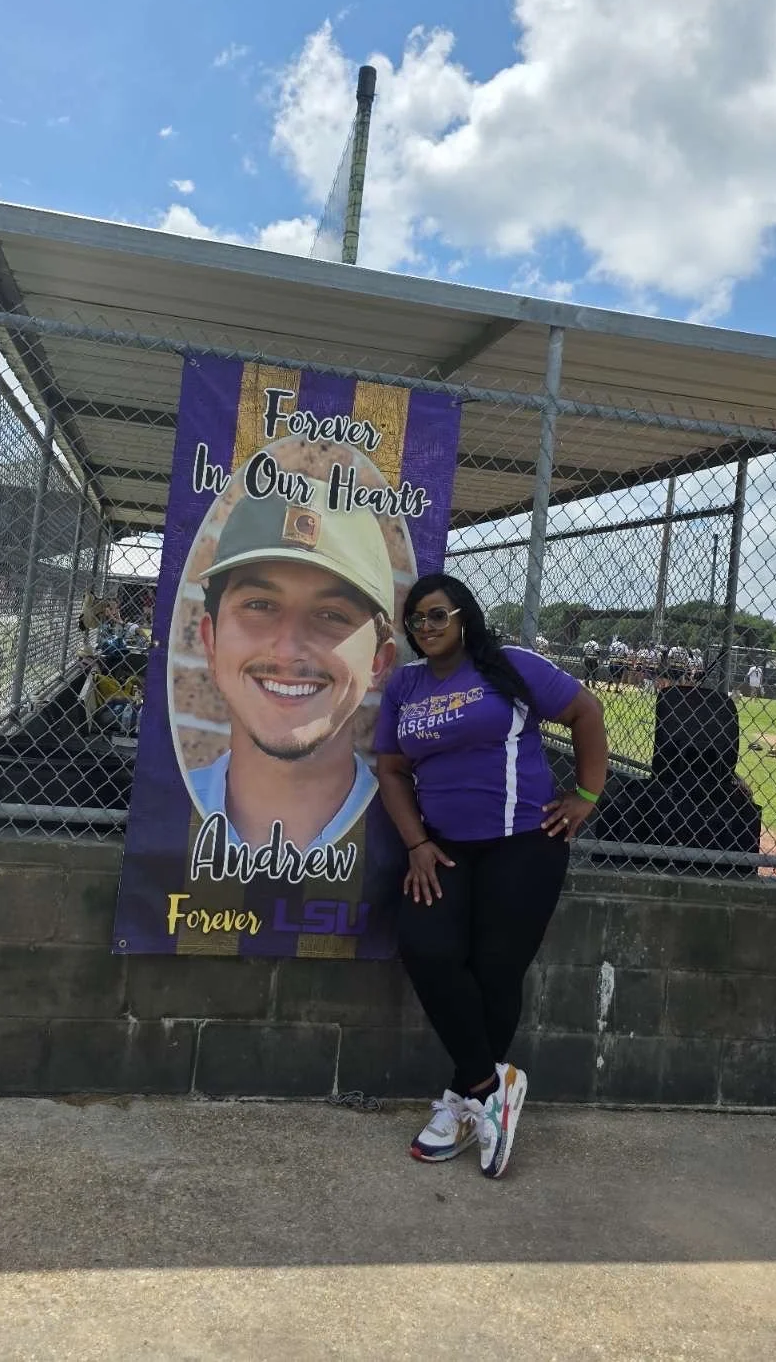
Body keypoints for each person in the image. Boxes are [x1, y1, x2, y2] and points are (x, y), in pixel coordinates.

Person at [375, 574, 608, 1180]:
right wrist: (417, 843)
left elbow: (586, 711)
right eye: (415, 620)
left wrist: (586, 793)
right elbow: (393, 771)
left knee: (496, 969)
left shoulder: (509, 665)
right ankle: (489, 1087)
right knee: (424, 947)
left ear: (463, 616)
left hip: (524, 845)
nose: (424, 628)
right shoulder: (405, 686)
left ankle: (460, 1103)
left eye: (435, 615)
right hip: (444, 849)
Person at [190, 478, 397, 853]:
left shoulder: (407, 828)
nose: (287, 651)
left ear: (378, 663)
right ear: (211, 641)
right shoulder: (175, 803)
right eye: (259, 605)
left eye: (332, 615)